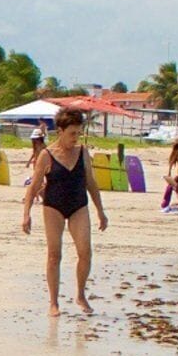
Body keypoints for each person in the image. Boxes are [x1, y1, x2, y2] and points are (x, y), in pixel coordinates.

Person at [16, 113, 106, 313]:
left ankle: (81, 294)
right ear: (60, 131)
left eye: (78, 133)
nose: (76, 138)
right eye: (72, 133)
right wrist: (26, 214)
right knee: (54, 255)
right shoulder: (46, 155)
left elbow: (90, 183)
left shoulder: (82, 152)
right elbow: (34, 186)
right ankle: (54, 302)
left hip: (79, 206)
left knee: (85, 252)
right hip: (53, 207)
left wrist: (101, 210)